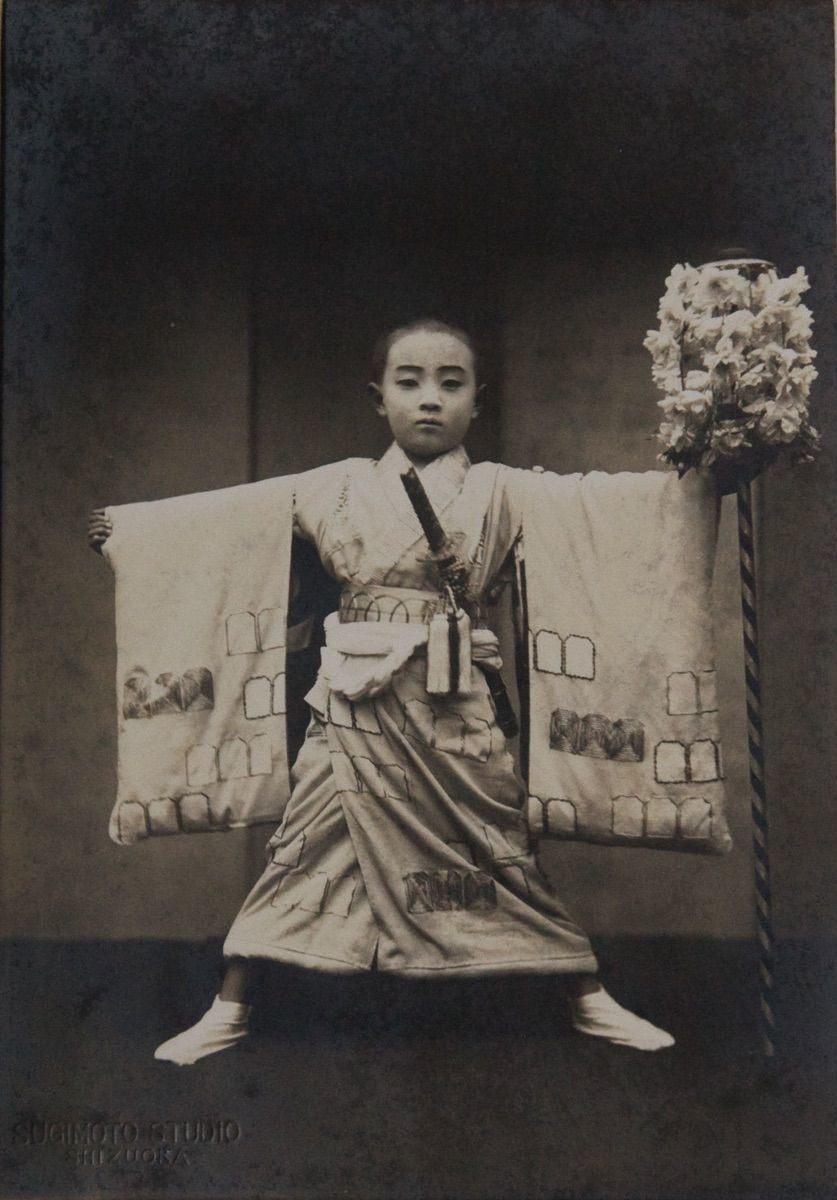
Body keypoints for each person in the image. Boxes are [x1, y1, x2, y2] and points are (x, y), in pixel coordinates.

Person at [89, 318, 676, 1063]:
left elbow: (609, 512)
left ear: (476, 399)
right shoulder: (331, 487)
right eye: (409, 382)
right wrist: (133, 534)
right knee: (302, 844)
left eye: (450, 382)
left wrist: (705, 484)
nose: (429, 399)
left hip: (452, 699)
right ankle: (229, 1009)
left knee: (497, 845)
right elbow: (227, 524)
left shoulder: (504, 493)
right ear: (378, 397)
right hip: (354, 703)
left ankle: (587, 998)